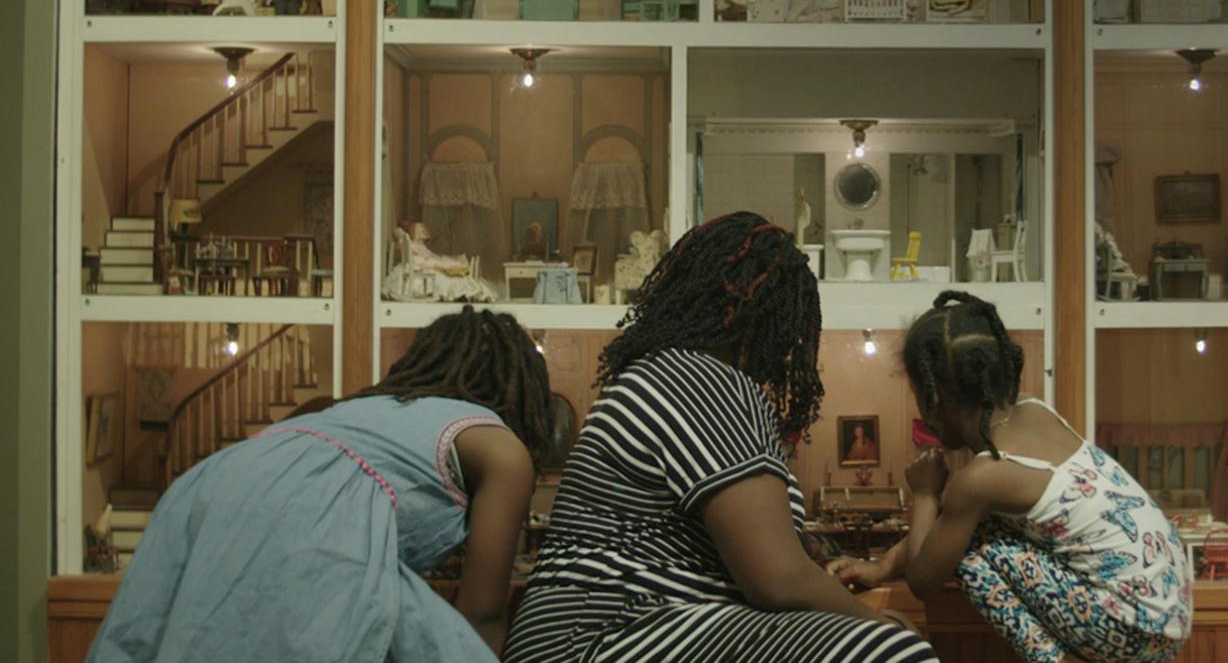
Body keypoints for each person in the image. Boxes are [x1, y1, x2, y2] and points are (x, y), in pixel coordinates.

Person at [504, 211, 936, 663]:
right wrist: (876, 624)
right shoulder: (701, 379)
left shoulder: (661, 375)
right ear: (771, 317)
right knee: (890, 653)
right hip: (607, 635)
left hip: (594, 634)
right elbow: (778, 579)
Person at [86, 306, 552, 663]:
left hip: (206, 484)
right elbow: (482, 613)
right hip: (310, 523)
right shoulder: (498, 448)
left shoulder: (346, 409)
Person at [829, 291, 1191, 663]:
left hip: (1134, 627)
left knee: (969, 547)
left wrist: (924, 493)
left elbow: (923, 580)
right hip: (1170, 610)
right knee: (971, 527)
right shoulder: (1034, 411)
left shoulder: (981, 478)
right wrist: (884, 566)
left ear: (933, 399)